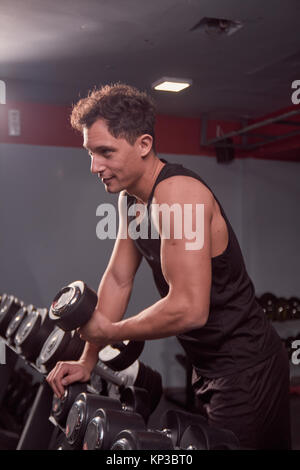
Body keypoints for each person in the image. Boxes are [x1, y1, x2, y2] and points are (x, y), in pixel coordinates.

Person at [46, 83, 291, 449]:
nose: (94, 166)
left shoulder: (180, 194)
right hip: (209, 367)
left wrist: (110, 332)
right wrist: (88, 359)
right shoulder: (131, 201)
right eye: (90, 153)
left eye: (104, 152)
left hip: (246, 366)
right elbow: (118, 279)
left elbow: (189, 308)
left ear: (143, 145)